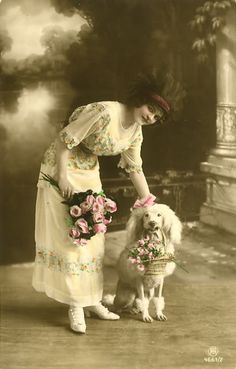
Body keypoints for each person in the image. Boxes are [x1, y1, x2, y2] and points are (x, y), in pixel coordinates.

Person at [32, 72, 181, 334]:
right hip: (61, 167)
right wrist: (63, 176)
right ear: (141, 100)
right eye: (150, 109)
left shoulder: (135, 130)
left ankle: (91, 300)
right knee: (73, 240)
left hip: (88, 170)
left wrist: (149, 204)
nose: (150, 117)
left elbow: (135, 168)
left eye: (156, 116)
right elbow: (65, 139)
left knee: (95, 238)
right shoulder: (105, 113)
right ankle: (75, 305)